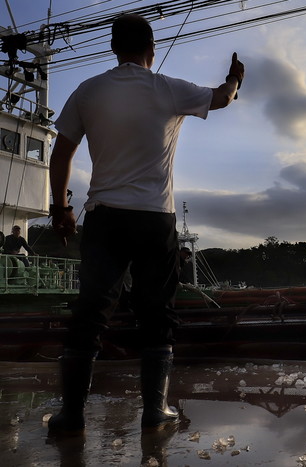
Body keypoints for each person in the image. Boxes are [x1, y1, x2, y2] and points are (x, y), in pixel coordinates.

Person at [47, 14, 244, 435]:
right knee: (157, 313)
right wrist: (234, 78)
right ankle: (156, 411)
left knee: (92, 311)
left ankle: (71, 415)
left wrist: (61, 208)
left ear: (114, 49)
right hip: (155, 220)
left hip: (104, 219)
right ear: (151, 50)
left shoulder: (87, 90)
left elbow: (61, 153)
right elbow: (223, 99)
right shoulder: (169, 88)